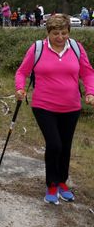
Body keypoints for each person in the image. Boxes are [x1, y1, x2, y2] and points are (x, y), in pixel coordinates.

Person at [15, 14, 94, 205]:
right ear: (48, 32)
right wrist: (20, 88)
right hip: (44, 105)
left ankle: (62, 182)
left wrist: (90, 91)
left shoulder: (76, 47)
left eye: (64, 33)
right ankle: (51, 184)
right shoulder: (38, 48)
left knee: (65, 146)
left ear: (69, 32)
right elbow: (22, 72)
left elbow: (87, 72)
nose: (60, 37)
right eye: (55, 33)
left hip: (71, 106)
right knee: (55, 144)